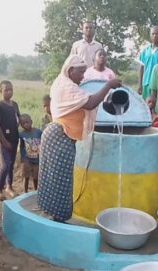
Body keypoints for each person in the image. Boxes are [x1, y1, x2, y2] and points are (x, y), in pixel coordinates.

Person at [38, 55, 121, 222]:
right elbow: (90, 103)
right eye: (81, 72)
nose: (83, 76)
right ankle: (57, 219)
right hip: (59, 136)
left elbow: (88, 99)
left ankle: (50, 216)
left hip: (58, 135)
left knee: (53, 178)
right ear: (70, 70)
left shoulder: (65, 83)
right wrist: (108, 85)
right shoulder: (66, 86)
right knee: (60, 181)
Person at [0, 80, 21, 201]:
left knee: (11, 164)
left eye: (11, 89)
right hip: (5, 140)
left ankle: (9, 187)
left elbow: (19, 118)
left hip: (14, 139)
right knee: (5, 164)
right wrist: (4, 141)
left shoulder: (14, 105)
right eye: (6, 90)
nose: (9, 92)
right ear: (1, 91)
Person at [137, 26, 158, 99]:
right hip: (146, 83)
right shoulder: (145, 50)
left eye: (157, 34)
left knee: (157, 107)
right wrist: (140, 84)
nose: (155, 36)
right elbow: (141, 68)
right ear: (150, 35)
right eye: (153, 34)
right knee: (146, 106)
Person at [19, 114, 42, 193]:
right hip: (27, 160)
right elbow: (22, 147)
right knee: (26, 177)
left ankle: (36, 192)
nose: (25, 125)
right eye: (23, 123)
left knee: (36, 178)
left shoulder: (38, 132)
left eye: (27, 122)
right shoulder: (22, 134)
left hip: (37, 160)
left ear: (31, 122)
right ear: (21, 125)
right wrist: (23, 158)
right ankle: (25, 192)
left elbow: (43, 143)